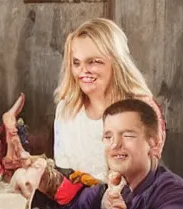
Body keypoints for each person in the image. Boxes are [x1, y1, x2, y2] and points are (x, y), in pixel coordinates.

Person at [12, 98, 183, 209]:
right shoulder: (119, 186)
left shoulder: (180, 197)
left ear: (153, 144)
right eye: (108, 136)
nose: (115, 145)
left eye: (127, 135)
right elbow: (74, 202)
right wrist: (42, 177)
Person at [53, 18, 165, 183]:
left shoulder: (141, 109)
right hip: (76, 207)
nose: (83, 71)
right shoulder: (66, 109)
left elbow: (145, 181)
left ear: (117, 62)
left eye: (94, 62)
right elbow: (63, 178)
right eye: (76, 63)